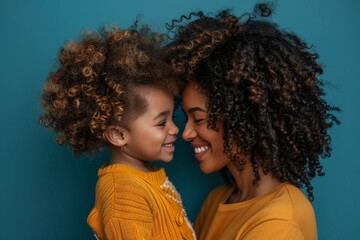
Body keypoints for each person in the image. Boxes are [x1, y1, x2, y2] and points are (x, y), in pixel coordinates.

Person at [167, 3, 340, 240]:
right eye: (187, 118)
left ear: (244, 116)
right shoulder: (218, 199)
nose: (185, 133)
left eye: (198, 118)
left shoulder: (279, 221)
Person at [39, 25, 196, 239]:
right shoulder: (123, 194)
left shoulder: (142, 178)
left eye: (172, 117)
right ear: (118, 135)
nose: (175, 128)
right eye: (161, 123)